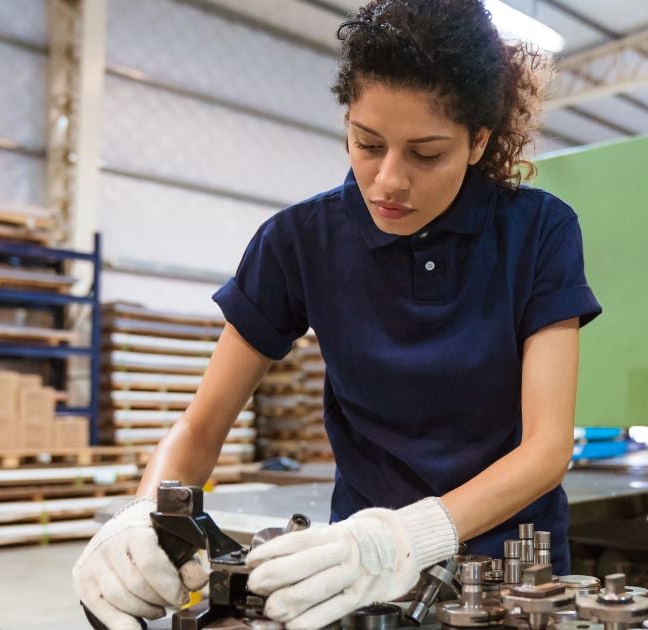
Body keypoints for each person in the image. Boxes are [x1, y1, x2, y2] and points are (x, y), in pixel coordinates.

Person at [73, 1, 601, 628]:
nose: (388, 181)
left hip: (515, 575)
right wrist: (138, 517)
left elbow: (545, 450)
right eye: (366, 143)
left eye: (426, 154)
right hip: (352, 576)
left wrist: (405, 538)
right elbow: (200, 429)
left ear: (478, 141)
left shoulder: (538, 232)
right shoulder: (300, 242)